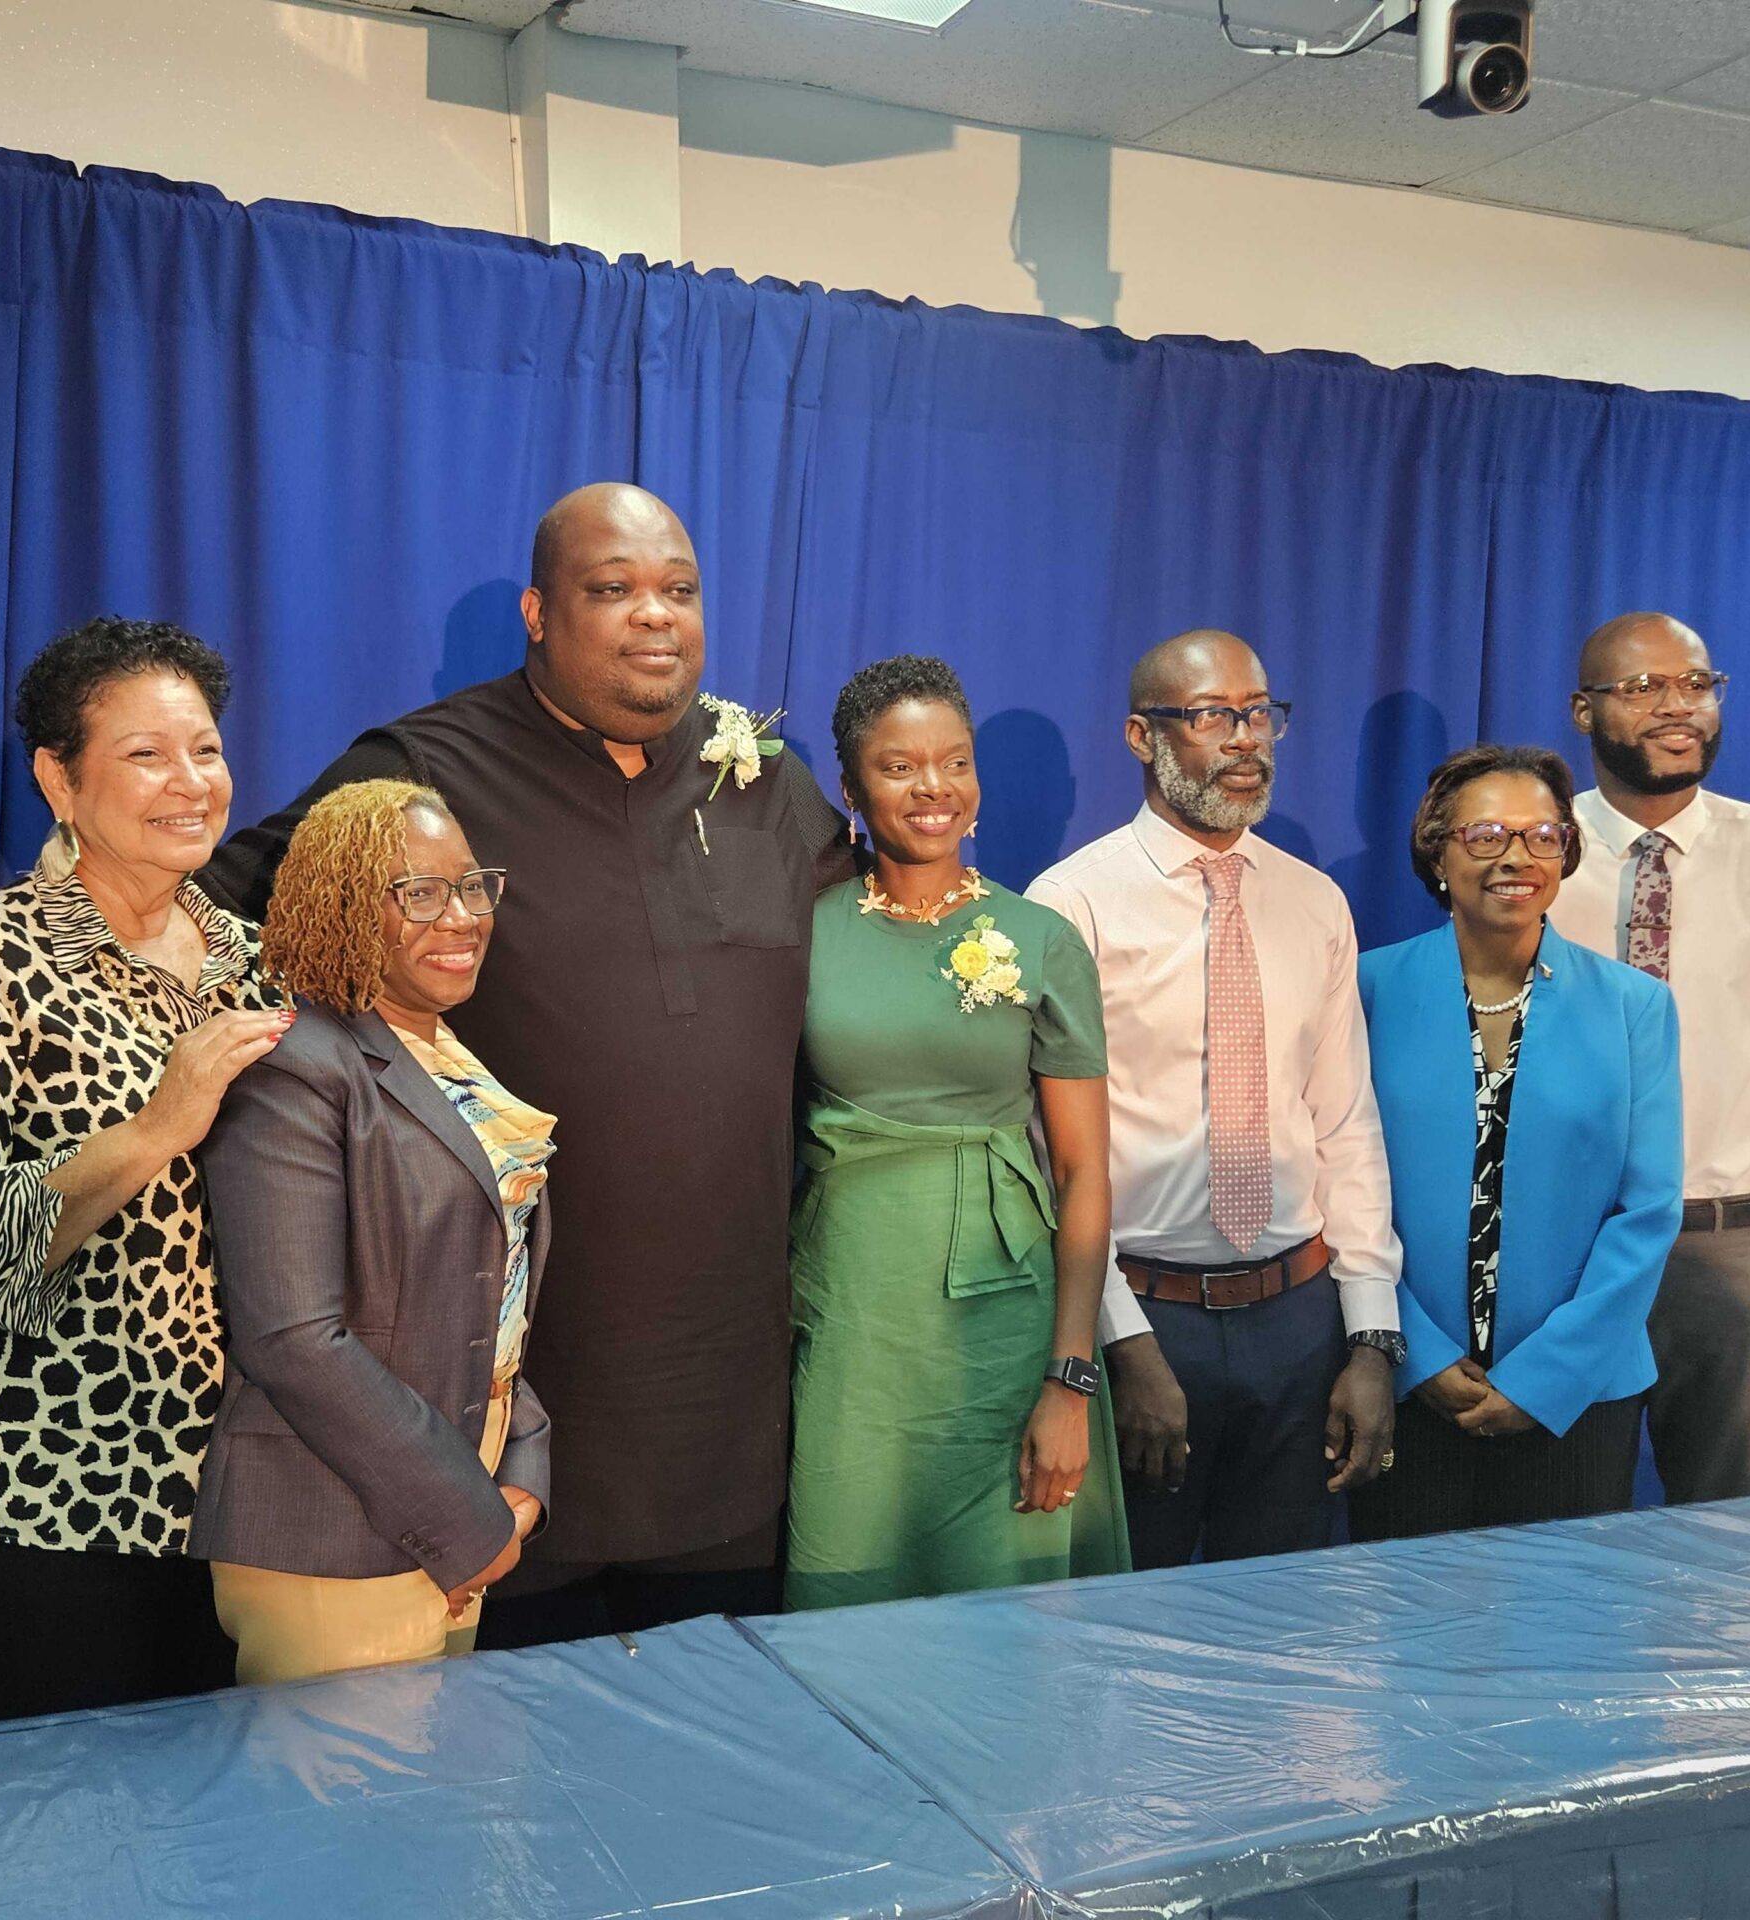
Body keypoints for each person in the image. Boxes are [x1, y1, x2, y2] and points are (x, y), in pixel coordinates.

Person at [202, 483, 849, 1644]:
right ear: (539, 614)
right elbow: (218, 917)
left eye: (679, 590)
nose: (653, 614)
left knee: (713, 1729)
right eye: (612, 589)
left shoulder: (766, 782)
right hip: (498, 1422)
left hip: (722, 1411)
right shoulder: (423, 768)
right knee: (498, 1740)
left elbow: (877, 968)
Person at [0, 618, 290, 1726]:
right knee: (51, 1810)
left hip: (228, 1499)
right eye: (146, 754)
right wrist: (151, 1131)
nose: (190, 782)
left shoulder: (258, 964)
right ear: (59, 779)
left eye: (205, 749)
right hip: (29, 1494)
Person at [1027, 629, 1403, 1568]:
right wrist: (1124, 1345)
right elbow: (1049, 1154)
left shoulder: (1315, 902)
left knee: (1282, 1626)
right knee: (1128, 1622)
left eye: (1259, 714)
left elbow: (1345, 1125)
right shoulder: (1072, 905)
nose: (1246, 739)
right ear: (1139, 736)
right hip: (1147, 1318)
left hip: (1299, 1322)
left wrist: (1370, 1337)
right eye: (1210, 716)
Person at [785, 658, 1127, 1609]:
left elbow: (1084, 1171)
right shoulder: (803, 934)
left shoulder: (1042, 938)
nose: (933, 787)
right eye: (899, 767)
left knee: (1005, 1615)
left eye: (955, 762)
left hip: (1005, 1322)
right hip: (851, 1312)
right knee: (847, 1595)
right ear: (851, 789)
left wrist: (1070, 1378)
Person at [193, 781, 552, 1680]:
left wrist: (521, 1462)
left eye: (471, 886)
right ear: (344, 905)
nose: (460, 916)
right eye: (419, 893)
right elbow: (293, 1339)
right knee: (347, 1777)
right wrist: (463, 1517)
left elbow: (492, 1289)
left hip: (469, 1490)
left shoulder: (448, 1058)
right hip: (337, 1528)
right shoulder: (296, 1067)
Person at [1555, 612, 1750, 1503]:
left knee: (1732, 1546)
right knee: (1560, 1537)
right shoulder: (1534, 851)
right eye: (1643, 686)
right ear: (1584, 711)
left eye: (1696, 684)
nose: (1677, 706)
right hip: (1567, 1253)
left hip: (1731, 1249)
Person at [1349, 746, 1683, 1540]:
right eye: (1486, 834)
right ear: (1438, 852)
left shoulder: (1634, 1005)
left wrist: (1544, 1379)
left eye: (1542, 836)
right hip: (1409, 1383)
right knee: (1409, 1608)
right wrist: (1415, 1353)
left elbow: (1648, 1210)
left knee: (1563, 1612)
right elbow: (1338, 1185)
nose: (1517, 857)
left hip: (1577, 1393)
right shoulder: (1365, 988)